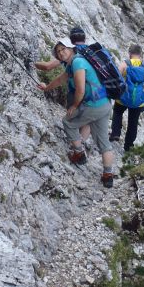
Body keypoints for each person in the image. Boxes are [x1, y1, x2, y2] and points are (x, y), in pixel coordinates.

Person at [39, 39, 115, 188]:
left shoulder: (77, 63)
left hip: (93, 105)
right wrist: (47, 87)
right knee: (104, 142)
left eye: (63, 49)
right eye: (58, 51)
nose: (61, 53)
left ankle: (79, 154)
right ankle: (108, 176)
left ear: (71, 48)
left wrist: (74, 106)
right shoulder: (73, 63)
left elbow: (80, 90)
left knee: (68, 122)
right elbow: (61, 79)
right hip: (104, 103)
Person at [35, 27, 91, 143]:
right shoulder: (88, 52)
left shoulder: (70, 53)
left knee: (73, 116)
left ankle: (77, 145)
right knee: (86, 120)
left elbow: (48, 67)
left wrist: (32, 63)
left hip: (77, 91)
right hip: (95, 93)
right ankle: (81, 142)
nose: (61, 52)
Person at [109, 46, 144, 152]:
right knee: (133, 123)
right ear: (141, 54)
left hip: (123, 98)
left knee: (117, 112)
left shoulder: (125, 64)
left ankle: (115, 133)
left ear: (130, 53)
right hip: (138, 101)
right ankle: (128, 146)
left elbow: (116, 77)